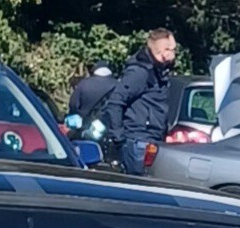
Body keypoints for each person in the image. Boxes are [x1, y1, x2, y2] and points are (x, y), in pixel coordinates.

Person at [100, 29, 177, 176]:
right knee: (139, 185)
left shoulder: (159, 72)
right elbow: (116, 102)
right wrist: (119, 138)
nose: (174, 54)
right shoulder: (140, 73)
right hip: (138, 140)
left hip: (151, 139)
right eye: (172, 49)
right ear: (163, 51)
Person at [68, 61, 118, 128]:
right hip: (108, 126)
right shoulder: (117, 85)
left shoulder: (84, 84)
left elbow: (73, 104)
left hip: (85, 125)